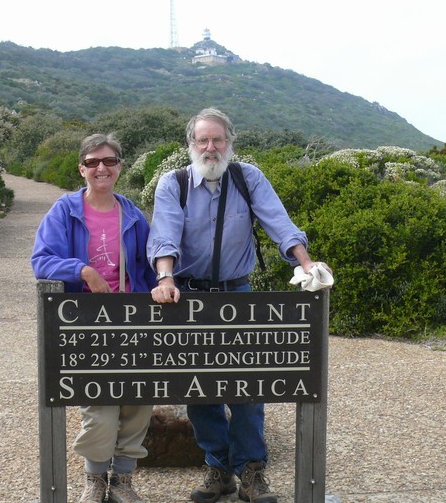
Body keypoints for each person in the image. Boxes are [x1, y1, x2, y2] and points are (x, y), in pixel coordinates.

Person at [147, 108, 328, 503]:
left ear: (230, 142)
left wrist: (305, 262)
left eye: (218, 140)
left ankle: (251, 471)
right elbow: (164, 235)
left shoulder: (249, 178)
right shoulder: (172, 184)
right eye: (202, 140)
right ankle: (218, 469)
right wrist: (165, 278)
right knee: (198, 390)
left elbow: (278, 222)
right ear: (191, 145)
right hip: (189, 297)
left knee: (246, 386)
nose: (210, 148)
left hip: (237, 293)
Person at [31, 133, 157, 503]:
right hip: (86, 323)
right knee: (100, 404)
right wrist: (83, 270)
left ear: (120, 166)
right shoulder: (64, 211)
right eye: (92, 162)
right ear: (81, 168)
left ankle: (123, 480)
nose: (101, 168)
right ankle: (95, 478)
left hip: (131, 320)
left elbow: (148, 268)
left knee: (138, 399)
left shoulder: (132, 214)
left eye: (109, 160)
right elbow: (41, 260)